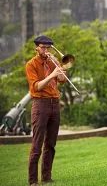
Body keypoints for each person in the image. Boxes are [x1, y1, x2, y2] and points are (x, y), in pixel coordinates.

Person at [25, 35, 67, 185]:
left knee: (51, 143)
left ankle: (47, 177)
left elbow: (62, 80)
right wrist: (52, 75)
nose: (46, 50)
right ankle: (33, 181)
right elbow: (36, 86)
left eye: (48, 48)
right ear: (37, 48)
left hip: (55, 103)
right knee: (37, 144)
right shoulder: (31, 64)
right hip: (40, 104)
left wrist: (60, 70)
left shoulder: (52, 62)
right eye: (43, 47)